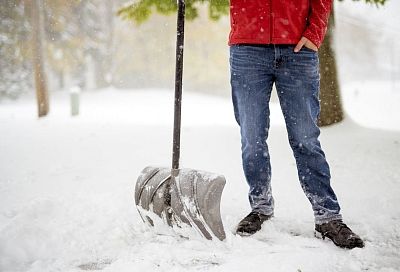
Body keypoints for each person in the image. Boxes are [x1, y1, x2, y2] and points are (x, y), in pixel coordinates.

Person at [229, 0, 364, 249]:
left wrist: (314, 34)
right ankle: (260, 208)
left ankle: (327, 217)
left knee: (305, 139)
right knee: (252, 138)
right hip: (248, 50)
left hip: (297, 50)